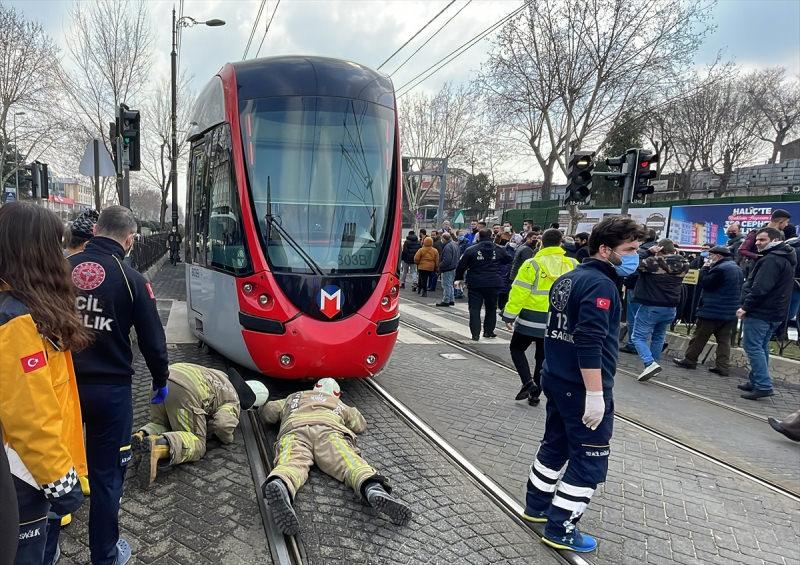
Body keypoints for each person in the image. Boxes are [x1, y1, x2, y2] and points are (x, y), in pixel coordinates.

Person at [522, 216, 645, 553]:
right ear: (606, 250)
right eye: (630, 249)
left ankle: (537, 506)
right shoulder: (601, 285)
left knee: (555, 444)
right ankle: (561, 527)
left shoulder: (569, 277)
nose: (635, 255)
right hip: (581, 385)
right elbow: (589, 340)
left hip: (557, 378)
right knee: (590, 460)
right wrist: (595, 394)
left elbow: (555, 330)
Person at [69, 205, 170, 565]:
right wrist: (160, 381)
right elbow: (153, 343)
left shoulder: (59, 270)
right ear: (130, 240)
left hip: (62, 388)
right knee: (108, 476)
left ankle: (41, 549)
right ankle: (105, 556)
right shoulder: (131, 279)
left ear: (95, 229)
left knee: (51, 468)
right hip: (111, 393)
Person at [0, 202, 91, 564]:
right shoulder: (17, 321)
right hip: (23, 477)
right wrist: (61, 481)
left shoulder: (16, 308)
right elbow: (30, 416)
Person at [260, 378, 412, 534]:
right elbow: (359, 424)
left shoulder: (295, 396)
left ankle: (282, 484)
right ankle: (372, 487)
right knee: (349, 462)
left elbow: (269, 412)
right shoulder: (339, 404)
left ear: (315, 388)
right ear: (337, 394)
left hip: (295, 430)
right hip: (329, 432)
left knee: (291, 463)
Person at [132, 364, 269, 489]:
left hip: (162, 378)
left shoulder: (221, 375)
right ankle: (158, 446)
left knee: (162, 424)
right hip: (183, 392)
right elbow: (223, 424)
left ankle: (142, 436)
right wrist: (227, 438)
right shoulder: (233, 398)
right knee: (197, 442)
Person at [503, 229, 577, 405]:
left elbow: (519, 291)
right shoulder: (572, 264)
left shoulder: (532, 264)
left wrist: (509, 315)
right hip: (556, 320)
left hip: (530, 317)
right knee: (542, 358)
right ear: (561, 243)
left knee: (517, 349)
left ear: (542, 242)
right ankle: (535, 395)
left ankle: (528, 382)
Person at [737, 227, 797, 400]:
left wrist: (745, 307)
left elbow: (760, 288)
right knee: (761, 346)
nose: (757, 243)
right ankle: (756, 381)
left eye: (762, 240)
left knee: (752, 346)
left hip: (761, 311)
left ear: (775, 240)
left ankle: (763, 384)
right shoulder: (784, 258)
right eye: (756, 240)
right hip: (774, 311)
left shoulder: (771, 260)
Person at [672, 246, 743, 375]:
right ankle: (722, 366)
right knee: (724, 340)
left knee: (699, 337)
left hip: (713, 309)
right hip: (729, 311)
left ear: (718, 256)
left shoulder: (720, 269)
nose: (708, 258)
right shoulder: (736, 268)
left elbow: (706, 283)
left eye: (710, 255)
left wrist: (704, 269)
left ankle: (690, 360)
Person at [630, 239, 689, 382]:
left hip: (651, 305)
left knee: (637, 337)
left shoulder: (653, 262)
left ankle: (650, 363)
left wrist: (648, 252)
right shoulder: (684, 264)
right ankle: (654, 364)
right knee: (659, 336)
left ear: (660, 248)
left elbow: (633, 263)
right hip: (670, 307)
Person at [455, 228, 511, 340]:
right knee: (491, 308)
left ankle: (475, 334)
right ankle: (489, 331)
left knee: (474, 309)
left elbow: (461, 266)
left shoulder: (471, 250)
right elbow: (508, 259)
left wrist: (459, 278)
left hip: (476, 283)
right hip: (493, 282)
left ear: (479, 237)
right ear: (491, 236)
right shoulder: (498, 249)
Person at [619, 230, 658, 354]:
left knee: (633, 317)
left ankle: (633, 343)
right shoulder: (658, 250)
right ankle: (645, 342)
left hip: (636, 287)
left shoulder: (642, 251)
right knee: (646, 317)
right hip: (652, 290)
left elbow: (633, 264)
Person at [436, 232, 460, 307]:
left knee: (446, 285)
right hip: (454, 267)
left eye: (442, 239)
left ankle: (446, 300)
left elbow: (447, 260)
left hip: (448, 268)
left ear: (443, 238)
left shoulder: (448, 246)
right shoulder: (455, 244)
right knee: (450, 285)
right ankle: (451, 300)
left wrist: (440, 266)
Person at [496, 232, 514, 313]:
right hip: (504, 272)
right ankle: (502, 307)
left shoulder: (503, 249)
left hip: (503, 272)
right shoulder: (505, 249)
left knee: (503, 292)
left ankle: (502, 307)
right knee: (503, 292)